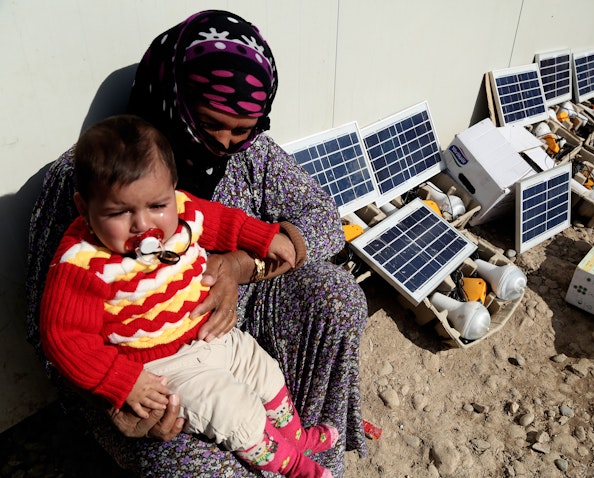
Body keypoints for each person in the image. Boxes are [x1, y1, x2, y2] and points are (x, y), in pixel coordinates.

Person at [26, 9, 367, 477]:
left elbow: (324, 221)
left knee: (338, 295)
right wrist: (123, 399)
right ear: (175, 98)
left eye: (243, 129)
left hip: (237, 336)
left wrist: (241, 267)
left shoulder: (253, 153)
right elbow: (51, 333)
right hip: (152, 372)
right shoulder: (93, 179)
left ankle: (310, 456)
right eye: (211, 125)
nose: (226, 143)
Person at [41, 114, 337, 478]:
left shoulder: (181, 211)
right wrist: (122, 380)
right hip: (164, 370)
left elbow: (225, 222)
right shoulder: (82, 264)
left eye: (157, 206)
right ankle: (294, 467)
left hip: (210, 334)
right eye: (120, 212)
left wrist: (264, 237)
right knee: (235, 413)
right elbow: (64, 338)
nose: (143, 224)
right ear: (85, 210)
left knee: (266, 371)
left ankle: (298, 438)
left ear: (174, 189)